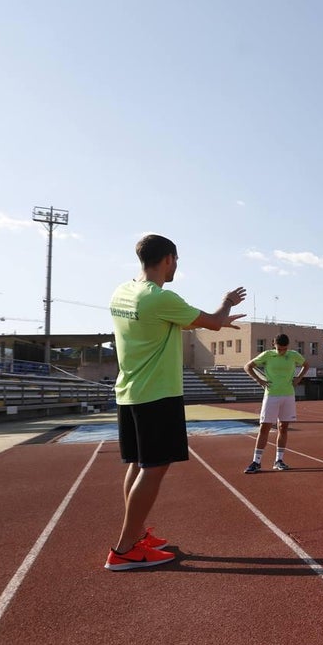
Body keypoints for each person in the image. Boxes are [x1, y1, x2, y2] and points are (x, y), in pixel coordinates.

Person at [106, 234, 245, 570]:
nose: (176, 267)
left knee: (137, 464)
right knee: (153, 469)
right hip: (157, 393)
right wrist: (226, 302)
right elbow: (212, 323)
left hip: (130, 391)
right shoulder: (159, 298)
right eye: (176, 260)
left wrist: (217, 318)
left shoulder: (122, 292)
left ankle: (135, 534)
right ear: (168, 259)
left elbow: (187, 322)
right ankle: (125, 549)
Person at [242, 334, 309, 473]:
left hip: (288, 395)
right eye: (279, 349)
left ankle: (279, 460)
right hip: (271, 395)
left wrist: (299, 378)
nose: (282, 351)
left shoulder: (293, 355)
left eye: (284, 349)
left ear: (288, 347)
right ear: (274, 345)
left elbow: (306, 365)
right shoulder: (267, 355)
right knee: (264, 427)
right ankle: (256, 461)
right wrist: (259, 380)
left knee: (283, 427)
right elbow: (248, 366)